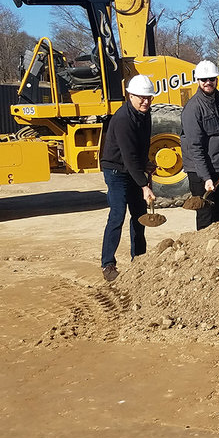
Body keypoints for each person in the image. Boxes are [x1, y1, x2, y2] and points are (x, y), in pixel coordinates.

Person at [99, 74, 157, 282]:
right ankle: (108, 264)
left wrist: (146, 163)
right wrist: (144, 185)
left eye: (149, 97)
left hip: (131, 168)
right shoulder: (123, 118)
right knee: (117, 214)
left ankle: (139, 259)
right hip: (116, 171)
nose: (145, 101)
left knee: (140, 215)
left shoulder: (145, 113)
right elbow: (128, 155)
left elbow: (140, 147)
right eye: (141, 97)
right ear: (130, 96)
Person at [181, 59, 219, 230]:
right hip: (200, 171)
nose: (208, 83)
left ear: (216, 80)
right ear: (198, 81)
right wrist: (206, 177)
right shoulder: (193, 108)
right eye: (204, 80)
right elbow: (195, 147)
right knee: (206, 215)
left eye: (211, 79)